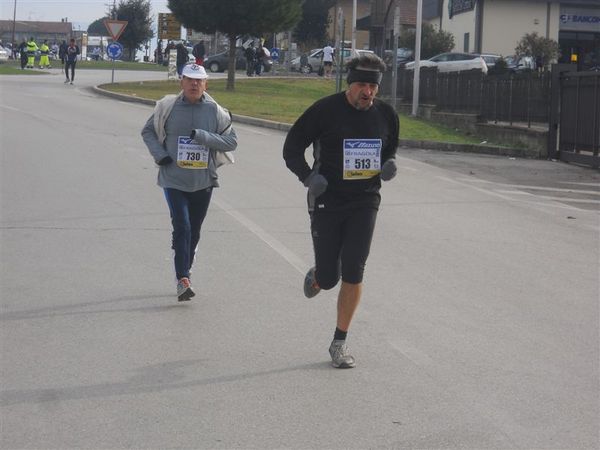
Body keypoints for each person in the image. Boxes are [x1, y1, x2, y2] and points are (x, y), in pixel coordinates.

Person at [283, 54, 399, 369]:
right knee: (331, 277)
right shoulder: (325, 111)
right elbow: (292, 147)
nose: (368, 92)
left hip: (365, 199)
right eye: (362, 84)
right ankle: (320, 275)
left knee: (354, 267)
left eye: (373, 86)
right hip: (327, 200)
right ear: (350, 84)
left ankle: (339, 342)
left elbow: (389, 148)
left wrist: (388, 165)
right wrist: (309, 177)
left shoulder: (386, 114)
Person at [141, 63, 238, 301]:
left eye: (199, 80)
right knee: (182, 225)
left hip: (203, 181)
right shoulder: (168, 106)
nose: (194, 84)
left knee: (193, 230)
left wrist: (203, 136)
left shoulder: (215, 111)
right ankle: (182, 278)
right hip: (173, 179)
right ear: (181, 82)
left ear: (206, 84)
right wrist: (160, 155)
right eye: (189, 80)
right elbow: (148, 132)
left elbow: (231, 141)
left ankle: (185, 263)